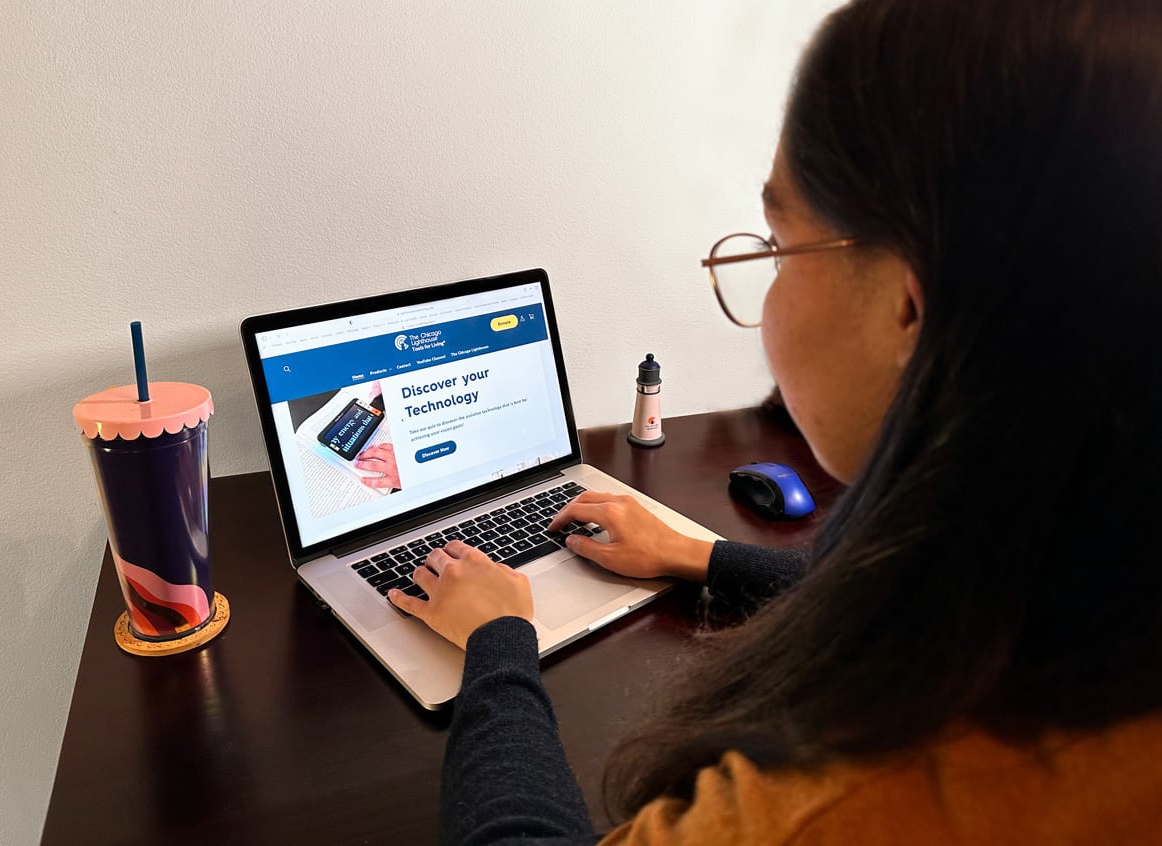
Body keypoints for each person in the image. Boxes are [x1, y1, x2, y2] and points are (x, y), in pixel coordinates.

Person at [389, 0, 1162, 842]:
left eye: (777, 242)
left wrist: (499, 639)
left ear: (910, 309)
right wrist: (699, 554)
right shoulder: (1078, 581)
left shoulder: (839, 808)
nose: (762, 290)